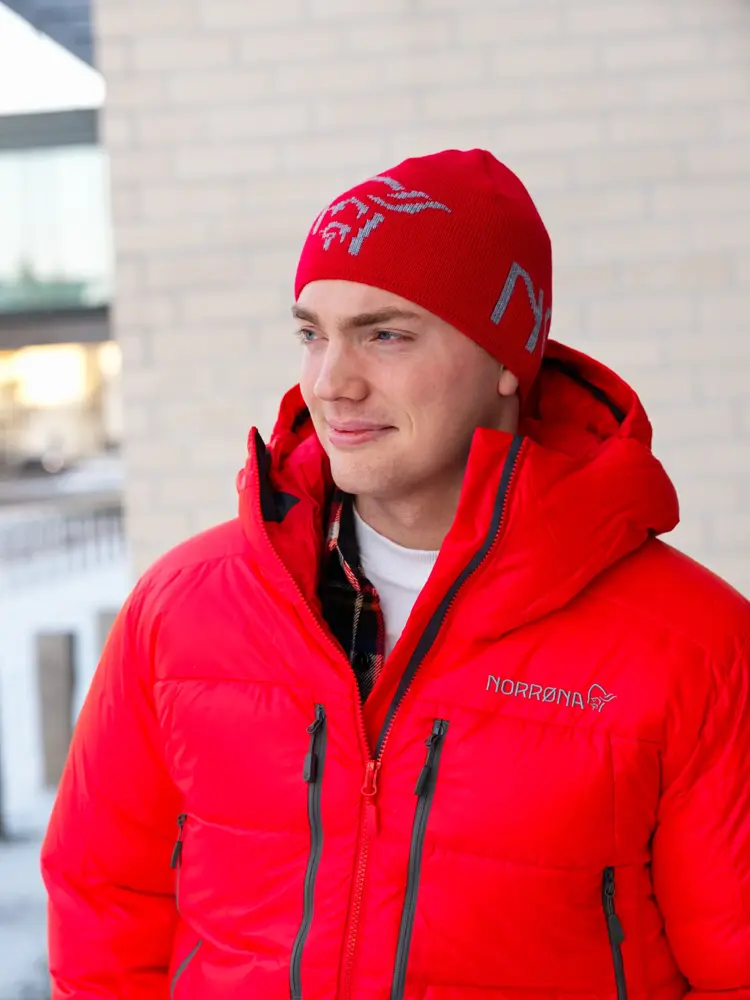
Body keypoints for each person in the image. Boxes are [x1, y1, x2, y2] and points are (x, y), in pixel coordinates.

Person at [41, 149, 750, 1000]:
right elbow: (104, 911)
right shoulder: (181, 609)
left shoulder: (698, 647)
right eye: (312, 334)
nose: (330, 383)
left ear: (507, 359)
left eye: (385, 335)